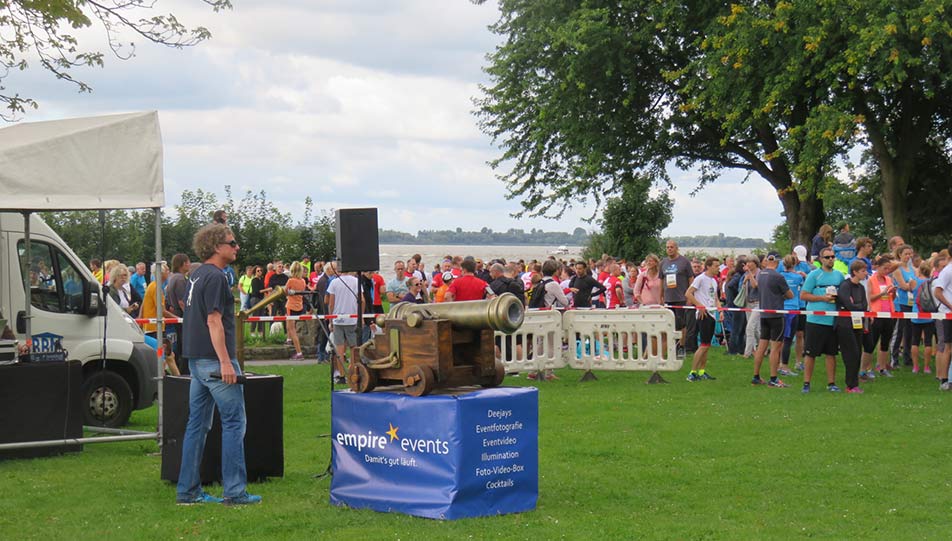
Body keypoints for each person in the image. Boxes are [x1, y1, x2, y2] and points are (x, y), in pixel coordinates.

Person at [176, 223, 261, 506]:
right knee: (235, 422)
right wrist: (226, 362)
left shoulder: (197, 274)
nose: (237, 247)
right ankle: (235, 492)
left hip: (196, 360)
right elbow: (213, 321)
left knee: (196, 425)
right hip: (214, 361)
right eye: (232, 242)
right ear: (216, 247)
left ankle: (187, 492)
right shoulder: (215, 277)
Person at [800, 247, 845, 393]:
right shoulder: (814, 275)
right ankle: (806, 383)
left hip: (833, 320)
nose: (830, 259)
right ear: (821, 259)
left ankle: (831, 383)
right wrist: (822, 298)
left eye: (832, 257)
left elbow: (844, 294)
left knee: (831, 353)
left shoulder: (839, 276)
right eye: (827, 257)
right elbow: (804, 295)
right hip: (815, 320)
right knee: (810, 353)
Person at [750, 253, 793, 387]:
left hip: (764, 314)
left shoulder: (761, 275)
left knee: (762, 346)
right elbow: (790, 295)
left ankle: (756, 376)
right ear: (778, 261)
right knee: (775, 348)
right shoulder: (778, 276)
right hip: (776, 315)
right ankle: (773, 378)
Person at [861, 254, 898, 378]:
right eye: (885, 268)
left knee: (885, 342)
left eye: (888, 269)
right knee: (872, 342)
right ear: (878, 267)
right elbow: (870, 298)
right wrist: (882, 293)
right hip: (876, 313)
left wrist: (893, 293)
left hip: (889, 313)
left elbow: (891, 298)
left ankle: (882, 367)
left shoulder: (888, 280)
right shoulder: (871, 280)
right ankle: (867, 368)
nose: (887, 271)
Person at [685, 257, 721, 382]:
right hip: (703, 315)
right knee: (704, 345)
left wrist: (720, 310)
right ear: (709, 266)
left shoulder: (714, 281)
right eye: (716, 266)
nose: (718, 268)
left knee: (707, 344)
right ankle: (692, 373)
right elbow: (688, 293)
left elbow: (715, 298)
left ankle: (702, 371)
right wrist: (699, 305)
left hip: (712, 313)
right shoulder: (700, 278)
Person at [835, 259, 868, 393]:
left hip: (857, 322)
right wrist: (856, 307)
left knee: (858, 352)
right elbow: (847, 304)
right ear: (854, 272)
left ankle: (854, 383)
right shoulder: (845, 285)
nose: (865, 273)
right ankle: (850, 384)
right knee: (851, 354)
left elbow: (864, 305)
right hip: (845, 324)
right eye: (863, 271)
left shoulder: (861, 287)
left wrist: (857, 307)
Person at [327, 270, 361, 384]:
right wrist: (360, 316)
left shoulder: (334, 283)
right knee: (353, 347)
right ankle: (353, 372)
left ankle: (341, 375)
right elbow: (362, 300)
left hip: (338, 319)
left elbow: (331, 303)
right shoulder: (357, 281)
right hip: (352, 318)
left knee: (340, 349)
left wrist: (330, 320)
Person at [660, 240, 693, 358]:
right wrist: (661, 296)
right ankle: (671, 347)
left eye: (671, 247)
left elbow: (691, 278)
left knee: (681, 324)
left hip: (681, 297)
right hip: (668, 298)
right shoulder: (663, 262)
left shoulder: (684, 262)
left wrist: (690, 296)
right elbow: (661, 280)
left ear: (676, 248)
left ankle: (682, 347)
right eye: (667, 247)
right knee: (669, 324)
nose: (669, 249)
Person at [932, 256, 952, 390]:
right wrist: (950, 306)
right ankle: (944, 380)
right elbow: (937, 292)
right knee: (948, 347)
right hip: (948, 314)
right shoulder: (948, 270)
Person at [284, 262, 307, 360]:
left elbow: (285, 291)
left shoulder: (290, 281)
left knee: (292, 330)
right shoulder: (303, 281)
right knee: (289, 324)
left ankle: (299, 353)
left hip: (291, 306)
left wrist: (288, 292)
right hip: (299, 306)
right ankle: (288, 339)